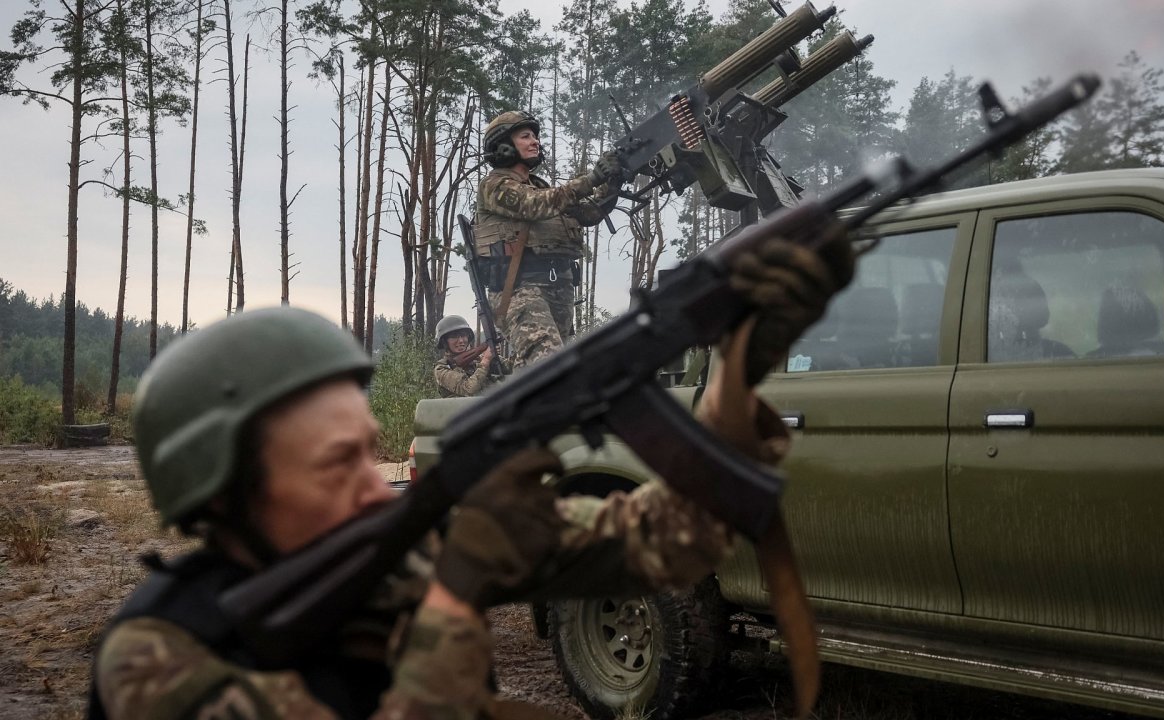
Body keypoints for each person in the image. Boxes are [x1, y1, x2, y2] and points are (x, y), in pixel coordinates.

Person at [89, 230, 854, 719]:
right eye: (336, 464)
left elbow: (674, 541)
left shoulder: (400, 556)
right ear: (222, 490)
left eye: (368, 450)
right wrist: (458, 597)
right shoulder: (159, 661)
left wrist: (738, 367)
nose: (374, 484)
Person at [473, 110, 623, 370]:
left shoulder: (542, 187)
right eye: (525, 136)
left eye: (535, 137)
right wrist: (592, 179)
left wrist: (614, 180)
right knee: (548, 365)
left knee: (549, 371)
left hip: (558, 287)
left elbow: (589, 213)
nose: (535, 141)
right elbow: (533, 205)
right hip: (520, 289)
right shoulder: (494, 185)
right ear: (504, 146)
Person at [432, 315, 498, 398]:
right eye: (454, 336)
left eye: (463, 335)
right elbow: (468, 390)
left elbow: (510, 369)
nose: (461, 340)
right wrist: (485, 362)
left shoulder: (478, 359)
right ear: (444, 342)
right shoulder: (442, 368)